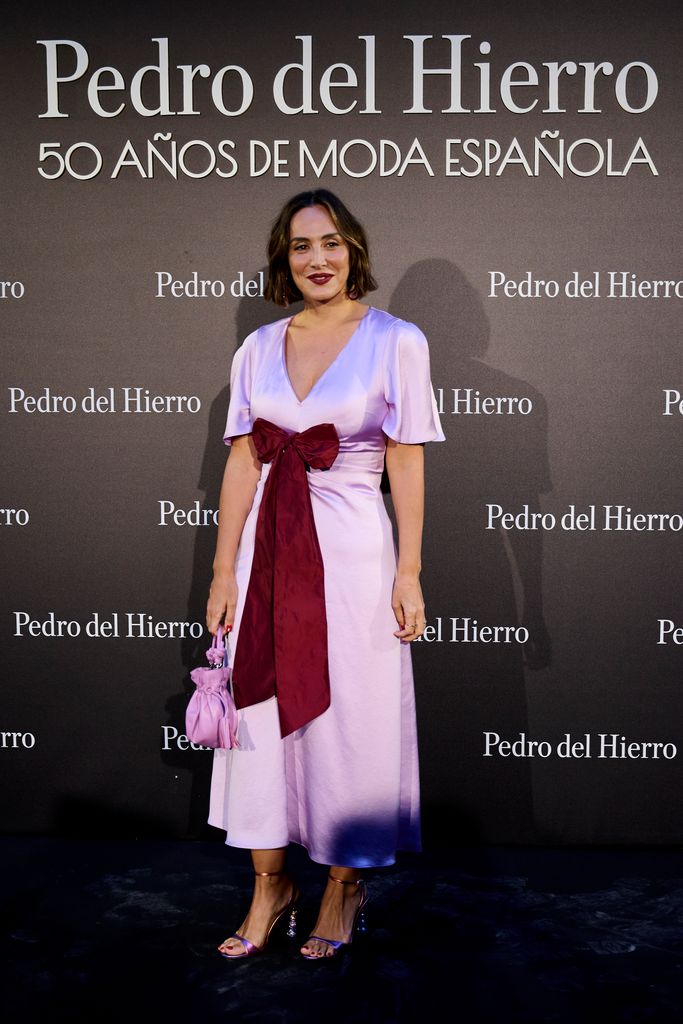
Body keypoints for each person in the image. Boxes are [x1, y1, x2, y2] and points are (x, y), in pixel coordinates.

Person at [205, 188, 445, 960]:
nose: (318, 259)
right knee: (263, 721)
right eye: (302, 245)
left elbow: (404, 459)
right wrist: (222, 571)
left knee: (351, 721)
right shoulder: (256, 349)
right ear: (284, 256)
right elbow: (242, 461)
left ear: (354, 252)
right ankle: (269, 885)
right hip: (266, 559)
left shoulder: (396, 340)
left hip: (351, 556)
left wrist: (407, 572)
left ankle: (343, 885)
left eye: (332, 243)